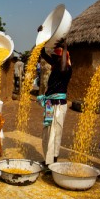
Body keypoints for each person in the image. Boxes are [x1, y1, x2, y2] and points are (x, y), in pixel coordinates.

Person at [37, 37, 72, 168]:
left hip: (58, 105)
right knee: (47, 133)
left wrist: (65, 48)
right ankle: (48, 159)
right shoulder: (56, 66)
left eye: (57, 58)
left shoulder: (66, 70)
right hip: (50, 105)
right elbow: (43, 54)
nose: (54, 60)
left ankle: (53, 162)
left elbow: (63, 68)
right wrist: (42, 38)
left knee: (55, 133)